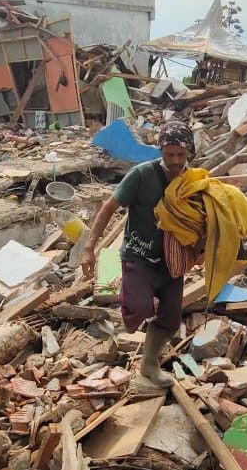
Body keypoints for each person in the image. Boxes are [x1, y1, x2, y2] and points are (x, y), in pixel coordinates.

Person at [80, 122, 196, 387]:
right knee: (139, 309)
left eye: (181, 155)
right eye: (169, 154)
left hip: (172, 260)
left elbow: (206, 218)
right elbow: (109, 208)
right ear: (161, 151)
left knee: (170, 318)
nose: (176, 161)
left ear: (190, 151)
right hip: (139, 255)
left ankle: (149, 364)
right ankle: (129, 297)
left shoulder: (194, 181)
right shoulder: (141, 175)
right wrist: (90, 247)